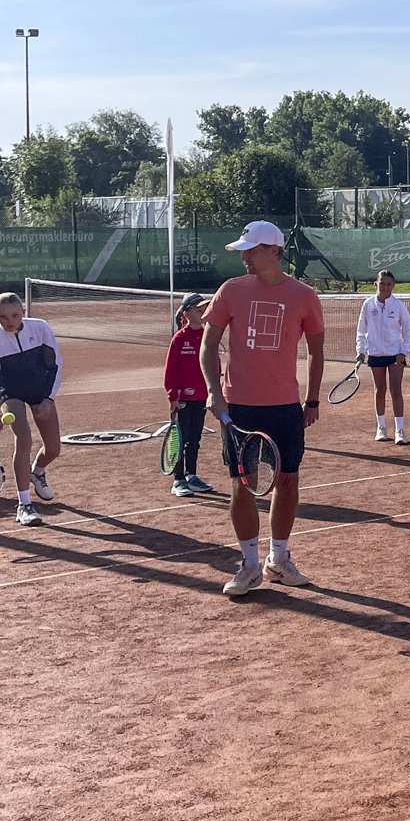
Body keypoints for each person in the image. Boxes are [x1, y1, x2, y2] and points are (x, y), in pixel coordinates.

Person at [200, 220, 326, 597]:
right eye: (243, 250)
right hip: (239, 407)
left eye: (250, 250)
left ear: (274, 250)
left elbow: (316, 353)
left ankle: (279, 560)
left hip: (286, 407)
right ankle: (250, 564)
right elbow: (208, 348)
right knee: (243, 486)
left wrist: (313, 400)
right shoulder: (230, 292)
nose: (244, 257)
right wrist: (214, 392)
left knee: (288, 481)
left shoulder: (304, 296)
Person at [0, 291, 63, 526]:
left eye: (15, 315)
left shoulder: (40, 328)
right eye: (3, 317)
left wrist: (48, 398)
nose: (9, 322)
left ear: (23, 313)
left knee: (54, 448)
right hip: (9, 390)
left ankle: (37, 471)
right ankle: (24, 504)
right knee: (23, 438)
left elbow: (56, 364)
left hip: (39, 388)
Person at [163, 292, 215, 496]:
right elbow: (171, 371)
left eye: (204, 308)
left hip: (201, 397)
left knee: (194, 438)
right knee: (180, 438)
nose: (202, 311)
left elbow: (213, 365)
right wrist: (173, 397)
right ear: (186, 313)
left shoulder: (207, 336)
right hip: (182, 399)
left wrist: (213, 392)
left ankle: (191, 475)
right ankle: (178, 480)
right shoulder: (179, 339)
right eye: (198, 308)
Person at [355, 270, 410, 445]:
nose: (385, 287)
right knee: (379, 391)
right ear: (376, 284)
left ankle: (400, 430)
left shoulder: (398, 305)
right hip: (376, 354)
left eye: (388, 284)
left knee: (396, 391)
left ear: (393, 286)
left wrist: (403, 351)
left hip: (395, 355)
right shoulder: (368, 305)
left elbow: (409, 328)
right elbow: (361, 330)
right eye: (382, 283)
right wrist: (361, 350)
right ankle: (381, 427)